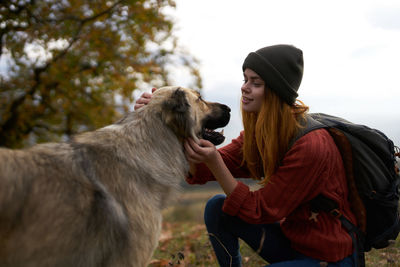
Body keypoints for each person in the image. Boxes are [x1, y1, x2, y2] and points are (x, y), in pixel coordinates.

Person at [135, 44, 357, 266]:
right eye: (245, 79)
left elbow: (259, 209)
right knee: (217, 207)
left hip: (330, 256)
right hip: (293, 244)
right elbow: (201, 167)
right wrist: (161, 116)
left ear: (276, 91)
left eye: (256, 83)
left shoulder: (311, 146)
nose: (245, 88)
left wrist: (214, 161)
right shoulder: (262, 135)